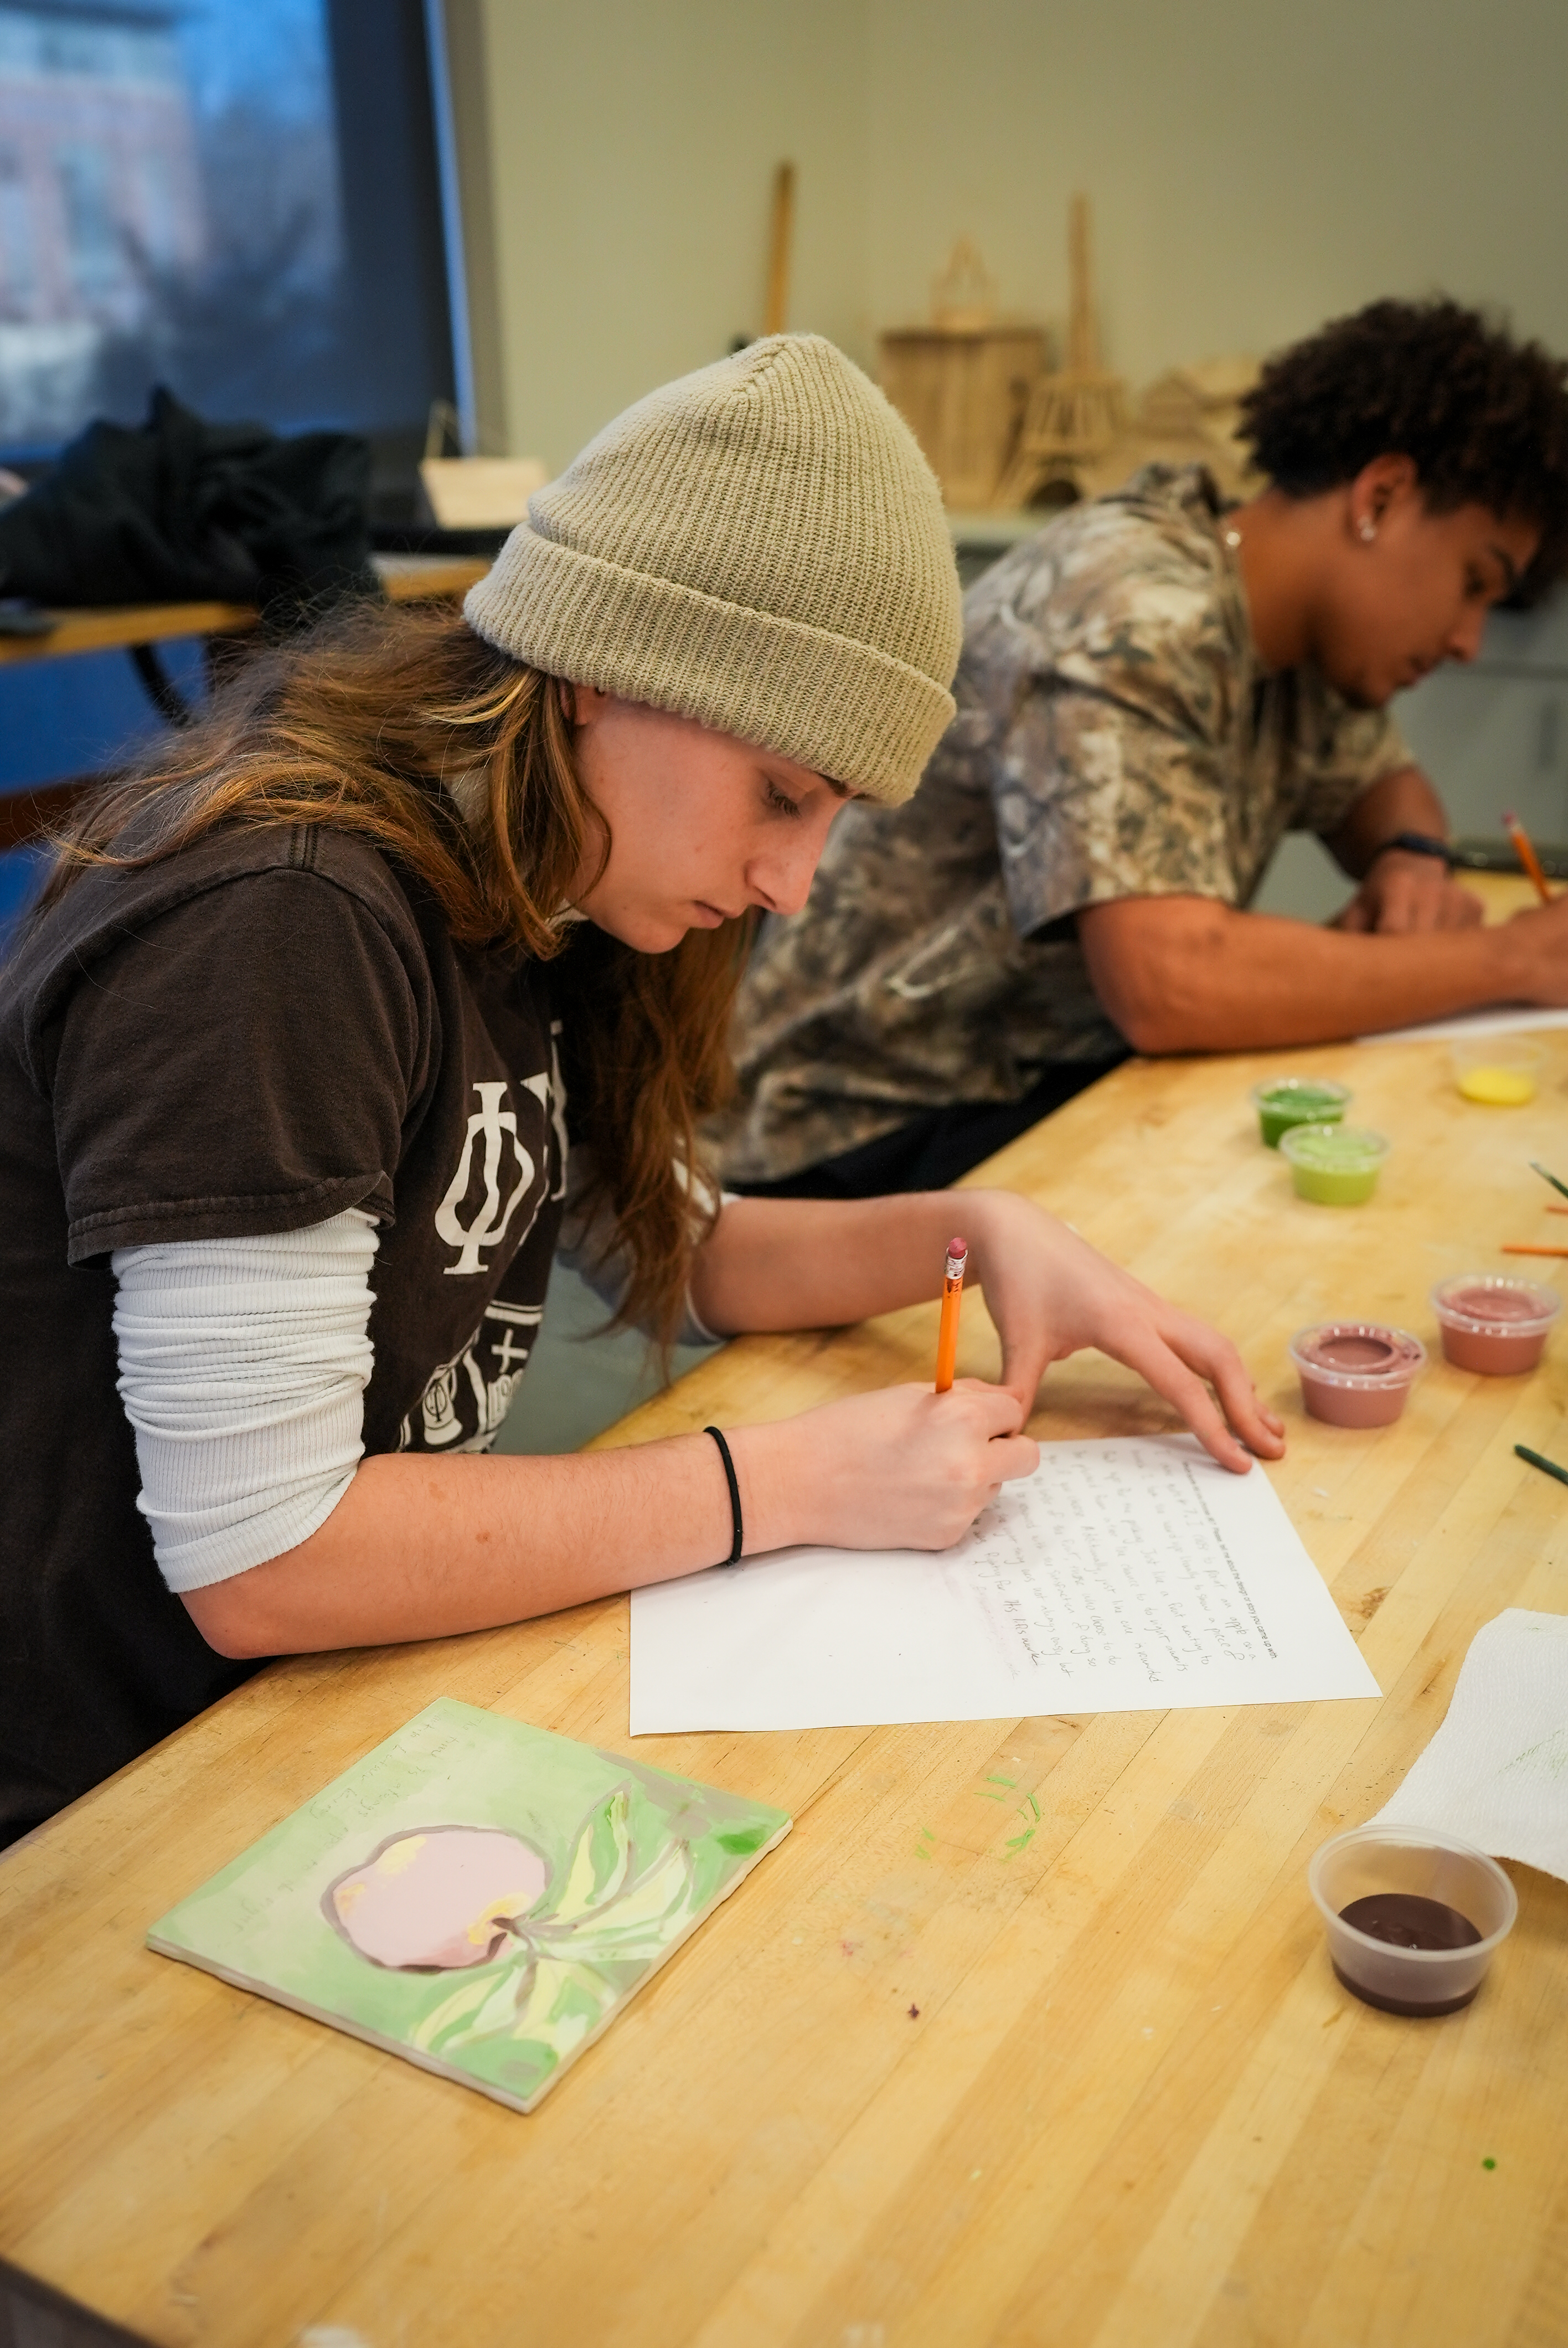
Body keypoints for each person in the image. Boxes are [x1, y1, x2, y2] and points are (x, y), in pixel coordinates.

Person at [0, 336, 1283, 1847]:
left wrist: (976, 1228)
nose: (794, 888)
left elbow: (685, 1241)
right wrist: (779, 1483)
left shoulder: (556, 871)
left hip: (304, 1704)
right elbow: (264, 1553)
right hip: (101, 1789)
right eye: (786, 798)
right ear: (609, 671)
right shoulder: (287, 918)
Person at [710, 299, 1568, 1200]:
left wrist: (1411, 856)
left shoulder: (1299, 641)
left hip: (1040, 1088)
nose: (1470, 639)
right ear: (1381, 496)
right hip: (861, 1128)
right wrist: (1512, 961)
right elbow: (1171, 983)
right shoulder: (1132, 607)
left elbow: (1387, 784)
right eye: (1474, 583)